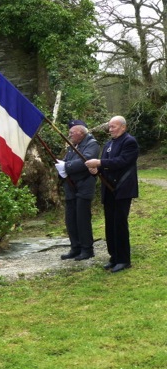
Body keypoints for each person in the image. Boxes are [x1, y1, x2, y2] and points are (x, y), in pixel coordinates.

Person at [85, 115, 139, 273]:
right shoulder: (109, 143)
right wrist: (96, 170)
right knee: (110, 224)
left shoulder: (129, 142)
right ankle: (114, 256)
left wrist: (99, 163)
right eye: (109, 127)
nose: (110, 130)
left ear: (123, 127)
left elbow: (122, 161)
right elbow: (105, 165)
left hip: (122, 189)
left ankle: (124, 259)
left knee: (120, 224)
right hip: (108, 189)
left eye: (113, 127)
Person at [55, 120, 101, 261]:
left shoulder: (92, 144)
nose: (69, 135)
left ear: (81, 132)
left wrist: (66, 167)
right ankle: (75, 247)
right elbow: (65, 160)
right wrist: (60, 165)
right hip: (71, 187)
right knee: (71, 219)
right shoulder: (72, 146)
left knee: (82, 218)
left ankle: (87, 249)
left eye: (71, 132)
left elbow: (85, 161)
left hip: (84, 185)